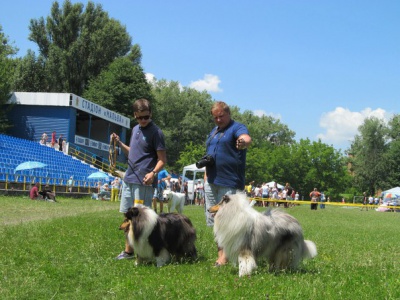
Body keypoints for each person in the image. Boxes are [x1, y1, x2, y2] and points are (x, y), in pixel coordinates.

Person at [111, 98, 166, 260]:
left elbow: (162, 159)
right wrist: (120, 143)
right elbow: (133, 152)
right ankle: (129, 251)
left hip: (144, 182)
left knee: (143, 220)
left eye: (146, 117)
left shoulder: (156, 132)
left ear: (151, 114)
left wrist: (153, 173)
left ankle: (145, 253)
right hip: (129, 178)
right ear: (134, 115)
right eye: (140, 117)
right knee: (128, 217)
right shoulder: (135, 129)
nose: (143, 120)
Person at [203, 101, 252, 266]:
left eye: (221, 116)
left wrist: (243, 142)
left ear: (228, 114)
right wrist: (205, 175)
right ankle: (221, 254)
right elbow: (209, 154)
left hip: (229, 182)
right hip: (211, 181)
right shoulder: (214, 131)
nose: (218, 120)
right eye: (215, 117)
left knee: (230, 220)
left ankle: (228, 256)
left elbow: (245, 138)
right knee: (215, 219)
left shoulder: (236, 127)